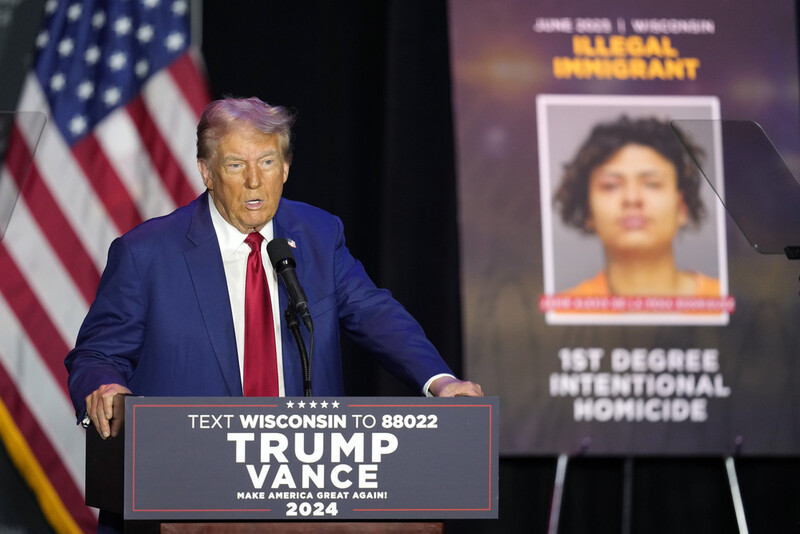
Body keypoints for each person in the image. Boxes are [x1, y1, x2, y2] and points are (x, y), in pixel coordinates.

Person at [65, 96, 482, 443]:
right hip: (188, 476)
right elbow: (96, 355)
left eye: (266, 162)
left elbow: (374, 313)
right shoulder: (146, 253)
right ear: (206, 172)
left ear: (285, 168)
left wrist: (439, 381)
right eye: (234, 165)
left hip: (301, 477)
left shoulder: (318, 234)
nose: (253, 181)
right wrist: (106, 388)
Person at [553, 115, 720, 297]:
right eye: (611, 185)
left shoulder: (726, 302)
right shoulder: (565, 309)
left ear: (682, 207)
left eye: (651, 184)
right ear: (587, 211)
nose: (632, 198)